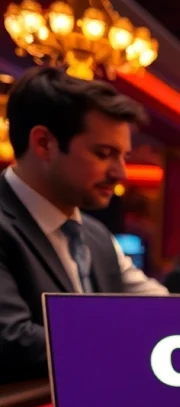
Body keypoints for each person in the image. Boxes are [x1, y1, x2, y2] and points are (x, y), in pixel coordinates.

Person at [0, 67, 166, 384]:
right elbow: (13, 343)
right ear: (44, 143)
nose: (121, 174)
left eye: (123, 157)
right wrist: (130, 337)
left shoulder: (95, 234)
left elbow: (162, 308)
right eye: (104, 154)